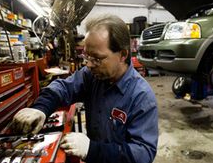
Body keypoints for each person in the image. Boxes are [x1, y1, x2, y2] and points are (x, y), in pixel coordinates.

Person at [11, 14, 158, 163]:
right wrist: (40, 108)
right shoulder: (92, 75)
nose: (88, 64)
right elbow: (63, 87)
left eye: (97, 58)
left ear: (122, 54)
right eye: (87, 56)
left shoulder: (141, 96)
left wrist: (91, 149)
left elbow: (143, 154)